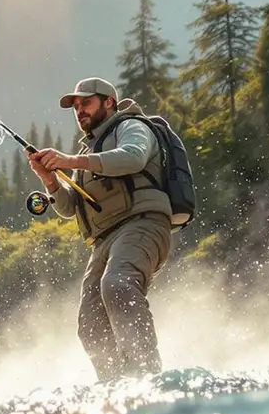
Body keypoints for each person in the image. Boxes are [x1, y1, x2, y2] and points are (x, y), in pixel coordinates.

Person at [26, 77, 171, 381]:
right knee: (89, 321)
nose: (79, 111)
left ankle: (148, 377)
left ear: (109, 102)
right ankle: (115, 385)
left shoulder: (131, 127)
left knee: (117, 284)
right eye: (75, 107)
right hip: (103, 241)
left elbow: (133, 156)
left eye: (86, 103)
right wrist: (49, 179)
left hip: (143, 223)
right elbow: (69, 209)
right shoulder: (89, 151)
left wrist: (70, 160)